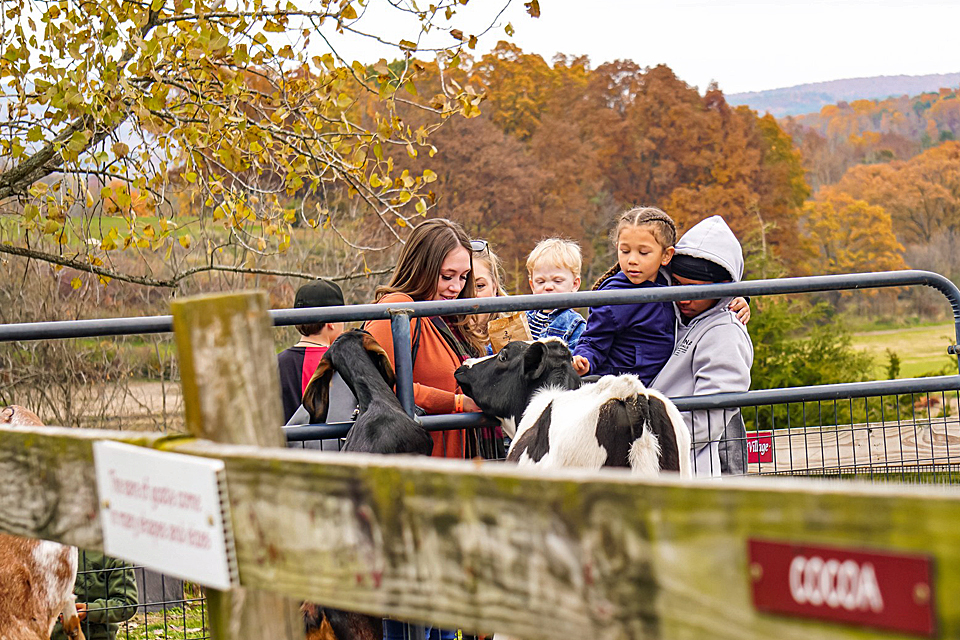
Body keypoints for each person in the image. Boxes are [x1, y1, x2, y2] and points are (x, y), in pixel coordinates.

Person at [364, 218, 487, 460]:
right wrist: (456, 403)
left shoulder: (450, 318)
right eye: (447, 276)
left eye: (463, 277)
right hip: (416, 463)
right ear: (421, 269)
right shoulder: (397, 308)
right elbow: (378, 386)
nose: (456, 287)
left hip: (457, 460)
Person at [651, 215, 754, 477]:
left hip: (686, 466)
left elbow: (709, 416)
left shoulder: (725, 334)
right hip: (654, 459)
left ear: (722, 288)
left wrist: (648, 440)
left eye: (694, 290)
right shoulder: (667, 312)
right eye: (676, 285)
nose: (682, 296)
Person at [572, 208, 678, 384]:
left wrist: (736, 301)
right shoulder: (614, 297)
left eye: (643, 252)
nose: (632, 260)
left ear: (666, 255)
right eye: (625, 251)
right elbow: (593, 340)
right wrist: (584, 360)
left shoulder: (674, 282)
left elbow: (707, 293)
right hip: (621, 389)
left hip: (664, 384)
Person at [277, 278, 345, 423]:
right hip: (331, 445)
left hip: (282, 445)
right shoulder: (339, 363)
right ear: (332, 322)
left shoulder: (275, 363)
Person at [51, 550, 138, 640]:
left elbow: (128, 604)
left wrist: (90, 610)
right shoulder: (50, 546)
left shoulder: (115, 555)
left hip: (95, 635)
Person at [524, 238, 587, 350]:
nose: (548, 287)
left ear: (574, 284)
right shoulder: (522, 319)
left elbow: (573, 361)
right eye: (541, 282)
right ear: (532, 285)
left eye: (557, 281)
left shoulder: (575, 324)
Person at [466, 239, 509, 354]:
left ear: (494, 288)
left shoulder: (513, 332)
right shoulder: (443, 336)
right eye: (464, 287)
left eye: (479, 286)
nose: (472, 295)